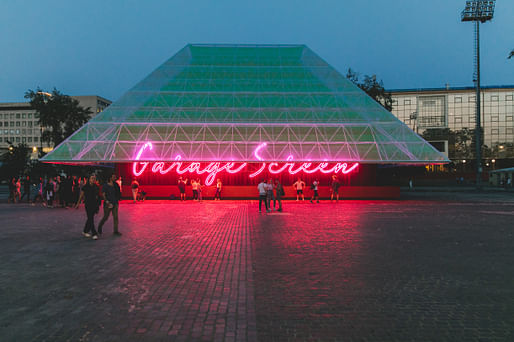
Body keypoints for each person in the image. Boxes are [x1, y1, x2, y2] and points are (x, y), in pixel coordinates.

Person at [75, 173, 101, 240]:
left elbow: (97, 196)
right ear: (89, 179)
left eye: (94, 178)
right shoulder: (85, 187)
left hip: (94, 204)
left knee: (90, 218)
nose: (93, 179)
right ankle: (94, 233)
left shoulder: (96, 187)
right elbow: (81, 195)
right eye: (92, 178)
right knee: (91, 218)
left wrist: (98, 205)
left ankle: (85, 231)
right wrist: (78, 204)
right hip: (88, 204)